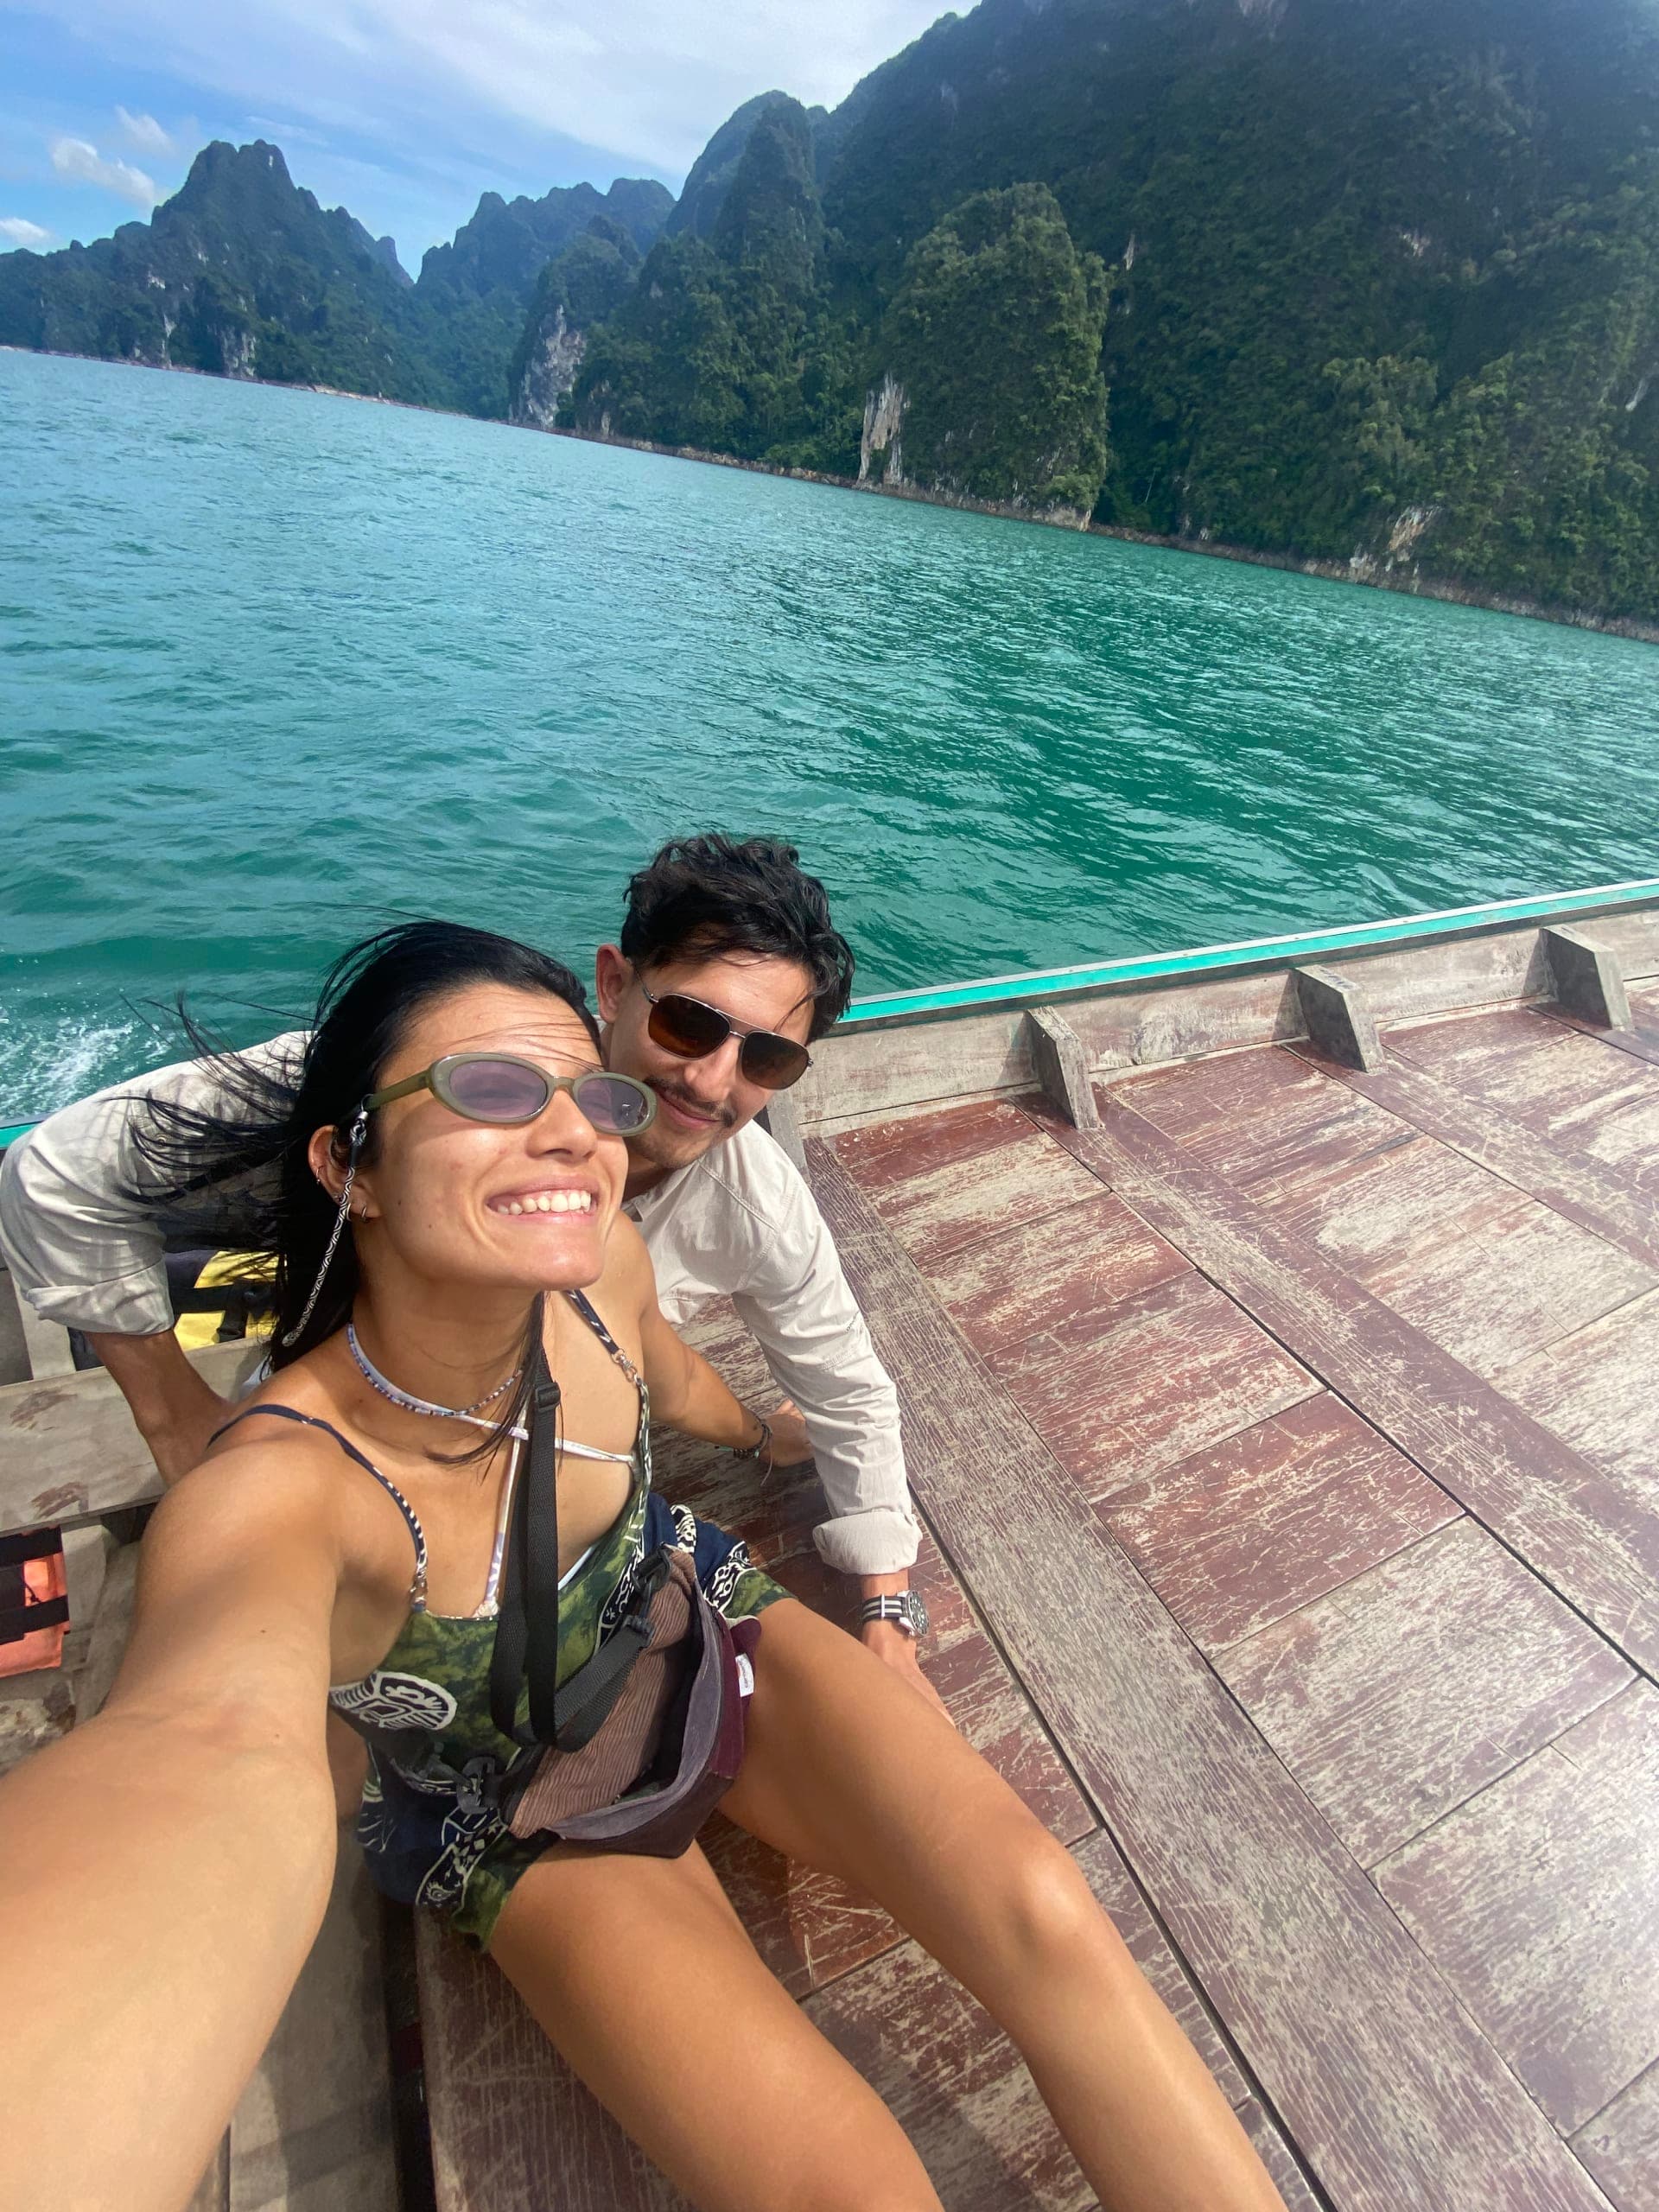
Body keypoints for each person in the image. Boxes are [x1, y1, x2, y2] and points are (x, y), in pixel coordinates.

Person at [0, 921, 1287, 2212]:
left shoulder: (604, 1266)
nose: (574, 1134)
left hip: (684, 1613)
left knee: (1049, 1914)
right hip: (509, 1800)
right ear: (354, 1164)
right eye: (491, 1089)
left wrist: (768, 1434)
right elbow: (202, 1744)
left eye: (591, 1099)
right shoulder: (277, 1491)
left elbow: (670, 1377)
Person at [0, 836, 935, 1703]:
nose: (711, 1081)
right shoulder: (419, 1085)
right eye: (689, 1024)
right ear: (615, 984)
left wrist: (885, 1612)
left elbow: (839, 1387)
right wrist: (174, 1418)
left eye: (766, 1056)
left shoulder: (750, 1203)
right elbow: (53, 1171)